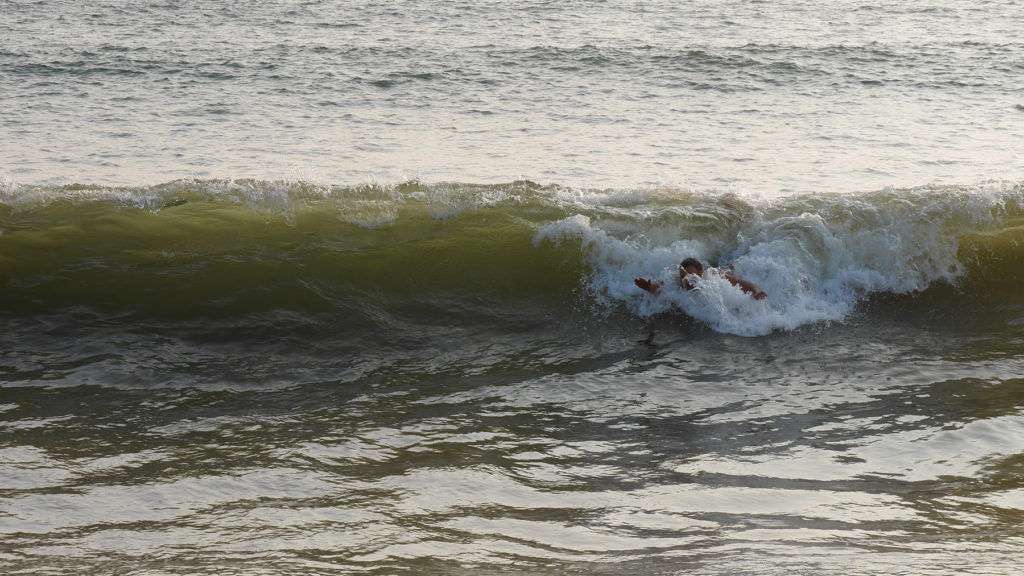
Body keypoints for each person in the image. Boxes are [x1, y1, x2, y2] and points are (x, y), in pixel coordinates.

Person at [635, 257, 767, 300]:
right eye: (683, 276)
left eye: (692, 275)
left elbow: (743, 283)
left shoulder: (713, 276)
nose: (687, 280)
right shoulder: (678, 278)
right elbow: (659, 284)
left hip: (729, 268)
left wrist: (756, 291)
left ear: (701, 273)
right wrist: (649, 286)